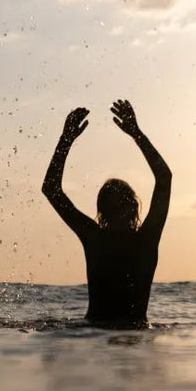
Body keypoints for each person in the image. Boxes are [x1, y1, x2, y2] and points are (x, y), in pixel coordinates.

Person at [42, 99, 172, 327]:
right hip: (134, 336)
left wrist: (66, 141)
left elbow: (51, 189)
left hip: (94, 336)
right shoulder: (145, 239)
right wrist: (136, 134)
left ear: (101, 211)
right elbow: (164, 178)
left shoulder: (96, 238)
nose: (117, 212)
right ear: (134, 207)